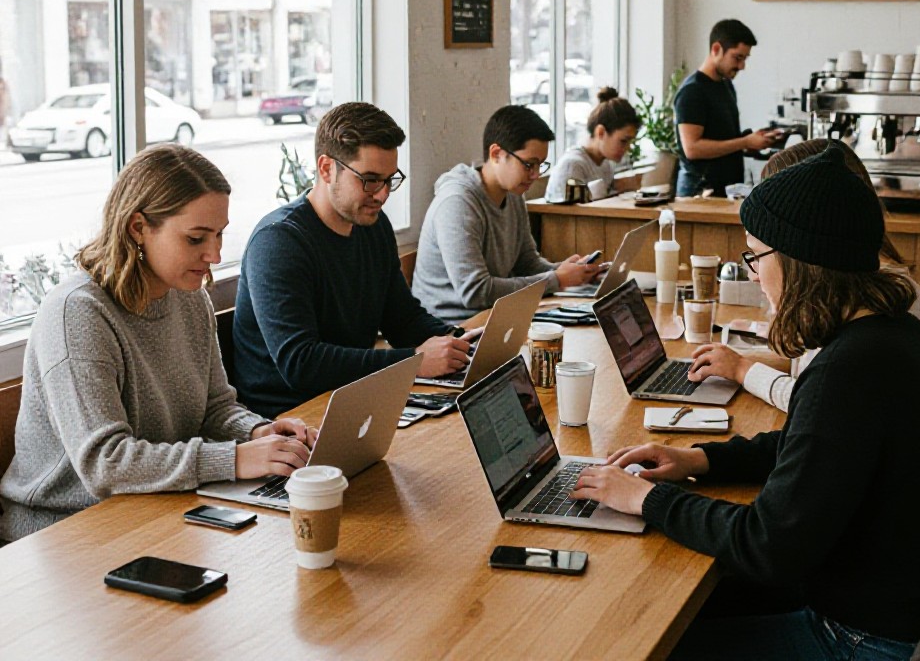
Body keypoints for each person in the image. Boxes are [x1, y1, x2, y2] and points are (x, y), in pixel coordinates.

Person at [570, 144, 920, 660]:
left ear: (799, 261)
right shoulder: (888, 331)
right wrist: (701, 459)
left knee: (642, 641)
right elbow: (810, 445)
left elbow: (767, 547)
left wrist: (645, 499)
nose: (755, 275)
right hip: (892, 603)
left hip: (867, 639)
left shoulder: (851, 369)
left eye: (756, 256)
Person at [0, 145, 312, 542]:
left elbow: (214, 409)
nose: (214, 254)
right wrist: (234, 459)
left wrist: (259, 435)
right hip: (62, 531)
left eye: (219, 235)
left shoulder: (189, 295)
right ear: (137, 228)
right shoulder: (77, 313)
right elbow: (105, 463)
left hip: (154, 506)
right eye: (196, 238)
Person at [232, 102, 472, 418]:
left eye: (389, 180)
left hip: (350, 399)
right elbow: (300, 363)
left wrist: (460, 344)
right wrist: (413, 362)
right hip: (289, 419)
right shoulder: (278, 242)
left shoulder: (372, 225)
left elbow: (402, 319)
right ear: (326, 168)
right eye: (370, 179)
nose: (383, 194)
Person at [689, 138, 920, 410]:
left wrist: (743, 370)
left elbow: (816, 399)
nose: (754, 274)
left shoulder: (858, 309)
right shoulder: (873, 287)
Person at [413, 104, 604, 323]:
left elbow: (527, 262)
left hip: (494, 316)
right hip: (453, 328)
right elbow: (476, 292)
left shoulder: (513, 194)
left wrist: (569, 272)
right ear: (496, 154)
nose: (534, 175)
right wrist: (556, 279)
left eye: (540, 165)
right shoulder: (458, 202)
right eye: (529, 164)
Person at [674, 18, 782, 197]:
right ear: (716, 49)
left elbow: (722, 137)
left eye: (745, 59)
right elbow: (692, 149)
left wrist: (752, 139)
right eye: (737, 57)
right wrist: (745, 142)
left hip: (724, 189)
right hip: (699, 194)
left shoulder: (726, 86)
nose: (741, 66)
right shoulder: (692, 91)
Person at [544, 87, 639, 203]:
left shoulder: (605, 165)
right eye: (623, 141)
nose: (628, 148)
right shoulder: (573, 166)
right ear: (601, 132)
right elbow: (569, 217)